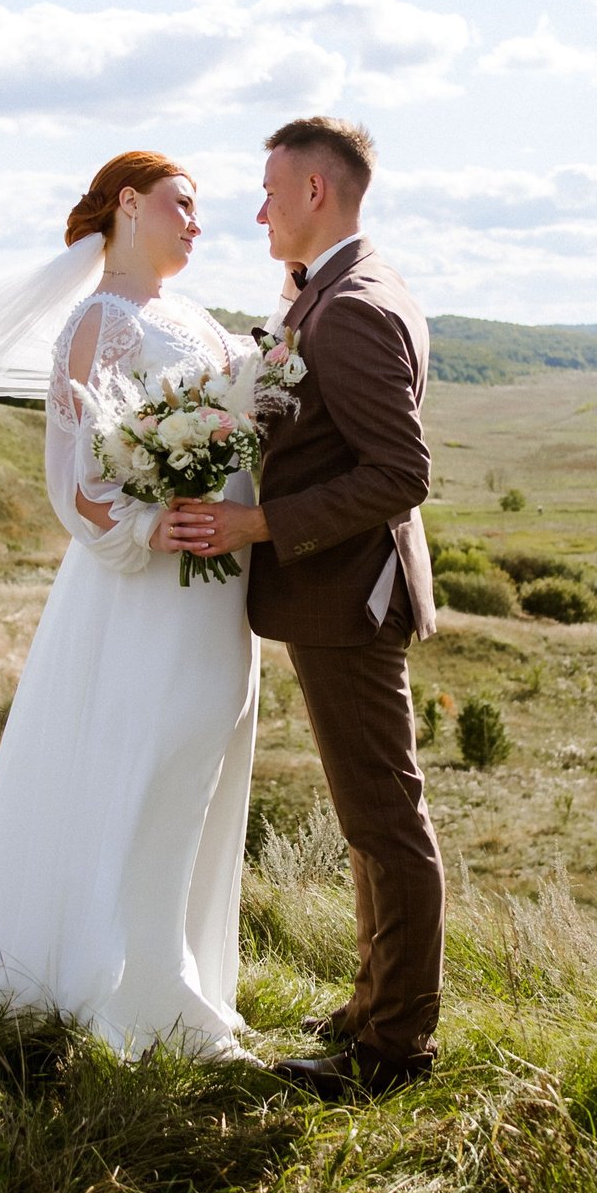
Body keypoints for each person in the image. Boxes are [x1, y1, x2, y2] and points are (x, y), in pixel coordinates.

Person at [0, 151, 266, 1058]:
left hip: (217, 588)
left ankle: (175, 966)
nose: (198, 221)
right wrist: (155, 525)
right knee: (145, 765)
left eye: (200, 209)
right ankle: (143, 991)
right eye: (182, 204)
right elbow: (75, 485)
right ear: (128, 204)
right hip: (145, 593)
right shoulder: (99, 322)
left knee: (199, 766)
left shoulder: (191, 317)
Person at [165, 116, 441, 1098]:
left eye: (270, 191)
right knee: (372, 820)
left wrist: (259, 527)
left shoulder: (354, 304)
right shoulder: (336, 289)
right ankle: (374, 1005)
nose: (257, 211)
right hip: (338, 594)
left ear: (315, 192)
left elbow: (399, 473)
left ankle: (393, 1051)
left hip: (349, 597)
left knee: (384, 821)